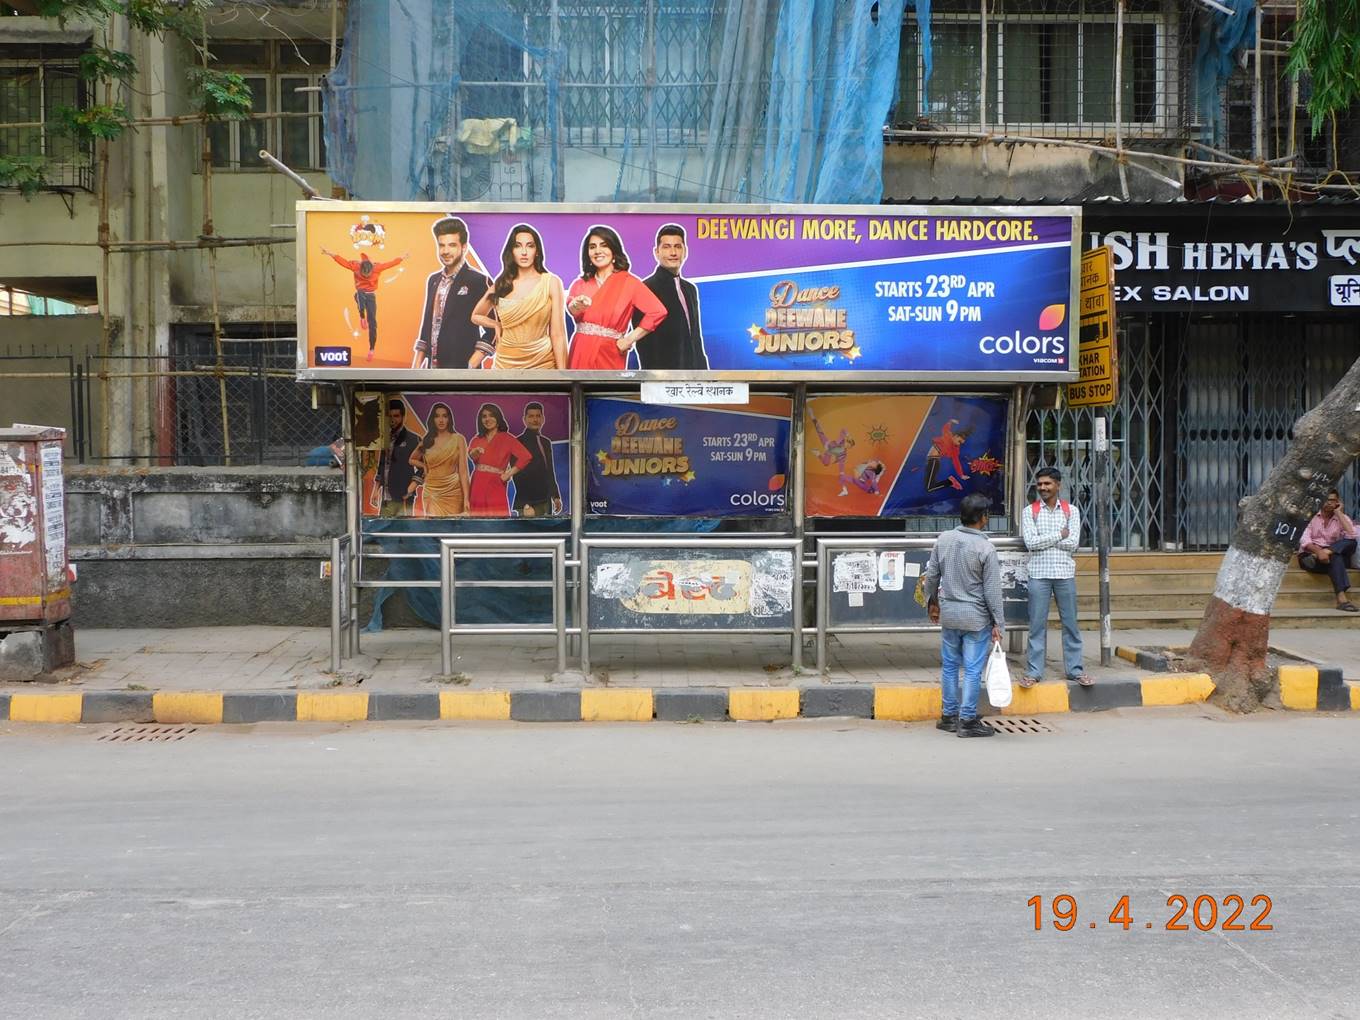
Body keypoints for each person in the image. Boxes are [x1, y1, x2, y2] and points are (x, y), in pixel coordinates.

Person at [923, 492, 1004, 738]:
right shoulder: (985, 548)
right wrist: (998, 623)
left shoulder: (944, 539)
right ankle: (967, 720)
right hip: (975, 617)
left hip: (949, 614)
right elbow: (992, 591)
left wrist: (932, 603)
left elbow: (931, 575)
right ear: (983, 517)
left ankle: (948, 716)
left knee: (949, 666)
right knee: (972, 669)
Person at [1021, 466, 1091, 688]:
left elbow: (1073, 543)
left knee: (1070, 624)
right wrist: (1060, 534)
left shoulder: (1071, 511)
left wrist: (1047, 539)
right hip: (1038, 575)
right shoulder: (1029, 511)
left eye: (1047, 484)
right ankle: (1034, 672)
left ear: (1058, 485)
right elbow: (1031, 543)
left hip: (1064, 574)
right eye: (1040, 484)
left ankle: (1075, 670)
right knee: (1036, 626)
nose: (1042, 487)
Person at [565, 226, 667, 371]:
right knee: (578, 386)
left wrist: (629, 339)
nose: (598, 251)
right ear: (587, 253)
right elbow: (571, 309)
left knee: (608, 386)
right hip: (581, 349)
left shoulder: (629, 282)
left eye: (604, 245)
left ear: (614, 250)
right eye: (592, 247)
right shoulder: (580, 284)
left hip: (610, 352)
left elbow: (658, 311)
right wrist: (576, 304)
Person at [470, 224, 568, 371]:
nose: (524, 252)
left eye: (530, 246)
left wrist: (563, 376)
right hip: (505, 363)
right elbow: (476, 315)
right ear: (511, 251)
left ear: (537, 251)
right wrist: (496, 325)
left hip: (542, 362)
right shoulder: (501, 284)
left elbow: (558, 334)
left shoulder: (551, 282)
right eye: (518, 246)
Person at [411, 217, 493, 370]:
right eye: (441, 245)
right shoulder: (433, 280)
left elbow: (495, 328)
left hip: (462, 373)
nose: (445, 251)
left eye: (452, 245)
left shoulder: (479, 281)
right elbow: (427, 325)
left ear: (464, 247)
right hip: (432, 370)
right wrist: (415, 368)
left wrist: (470, 365)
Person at [633, 224, 709, 370]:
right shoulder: (646, 288)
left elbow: (696, 338)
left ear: (685, 251)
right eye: (667, 247)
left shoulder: (690, 289)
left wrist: (704, 374)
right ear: (657, 252)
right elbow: (643, 343)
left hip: (694, 375)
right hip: (662, 376)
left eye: (678, 247)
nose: (673, 252)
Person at [321, 246, 408, 360]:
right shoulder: (356, 266)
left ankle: (371, 348)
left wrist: (403, 257)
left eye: (368, 274)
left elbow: (392, 263)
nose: (366, 276)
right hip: (360, 294)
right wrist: (329, 253)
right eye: (364, 274)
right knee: (360, 293)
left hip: (371, 296)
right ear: (360, 268)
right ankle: (362, 317)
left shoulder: (377, 267)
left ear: (372, 269)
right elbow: (342, 261)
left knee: (373, 323)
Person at [467, 402, 533, 517]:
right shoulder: (476, 439)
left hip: (496, 483)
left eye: (491, 415)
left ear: (498, 418)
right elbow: (472, 455)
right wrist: (474, 452)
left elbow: (526, 456)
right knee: (476, 518)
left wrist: (508, 474)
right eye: (484, 416)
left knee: (498, 517)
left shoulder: (507, 438)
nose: (487, 419)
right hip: (477, 483)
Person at [1298, 488, 1359, 611]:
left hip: (1330, 554)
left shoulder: (1341, 517)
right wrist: (1319, 552)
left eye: (1332, 500)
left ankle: (1329, 552)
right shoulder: (1310, 516)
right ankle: (1342, 600)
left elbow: (1352, 535)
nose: (1329, 503)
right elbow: (1304, 540)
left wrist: (1339, 513)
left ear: (1337, 502)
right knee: (1336, 558)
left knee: (1350, 543)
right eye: (1326, 500)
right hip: (1310, 556)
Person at [408, 402, 469, 517]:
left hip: (453, 491)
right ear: (433, 419)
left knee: (453, 525)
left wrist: (466, 498)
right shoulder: (427, 440)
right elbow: (412, 459)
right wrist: (424, 466)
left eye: (444, 416)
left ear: (449, 419)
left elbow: (463, 471)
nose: (441, 420)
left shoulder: (458, 439)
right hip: (431, 491)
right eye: (437, 416)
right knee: (434, 525)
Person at [512, 402, 562, 518]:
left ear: (543, 419)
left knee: (547, 529)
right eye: (531, 416)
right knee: (528, 530)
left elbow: (549, 471)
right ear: (524, 419)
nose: (535, 420)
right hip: (528, 503)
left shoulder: (545, 442)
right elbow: (517, 474)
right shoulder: (518, 442)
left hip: (545, 500)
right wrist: (526, 504)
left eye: (538, 416)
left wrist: (555, 496)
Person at [375, 399, 422, 517]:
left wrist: (412, 486)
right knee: (384, 527)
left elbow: (424, 466)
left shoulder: (413, 439)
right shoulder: (385, 439)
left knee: (404, 526)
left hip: (403, 495)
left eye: (396, 416)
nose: (393, 420)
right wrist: (376, 490)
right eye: (390, 416)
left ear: (403, 417)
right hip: (386, 496)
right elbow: (382, 465)